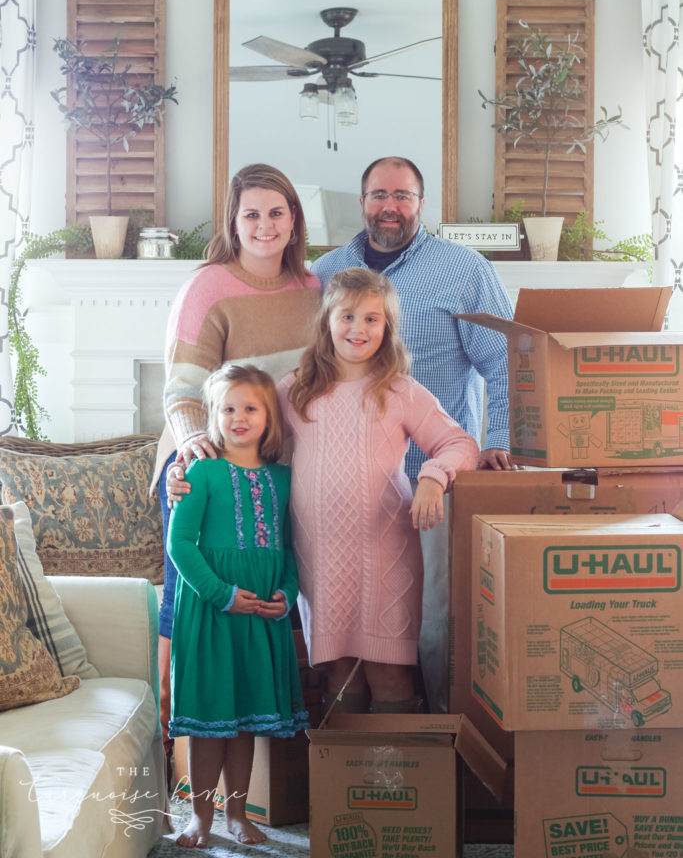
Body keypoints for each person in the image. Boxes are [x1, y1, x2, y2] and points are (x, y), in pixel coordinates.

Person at [311, 156, 515, 712]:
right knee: (347, 646)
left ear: (421, 205)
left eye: (403, 196)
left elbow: (503, 360)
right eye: (379, 195)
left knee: (431, 632)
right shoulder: (326, 271)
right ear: (362, 202)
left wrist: (497, 438)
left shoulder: (465, 270)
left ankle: (440, 752)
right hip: (350, 505)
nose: (390, 207)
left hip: (433, 488)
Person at [155, 163, 320, 781]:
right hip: (203, 468)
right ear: (233, 221)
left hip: (272, 473)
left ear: (294, 219)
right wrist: (193, 446)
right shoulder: (207, 286)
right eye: (250, 213)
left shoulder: (314, 285)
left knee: (264, 610)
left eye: (276, 212)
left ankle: (262, 784)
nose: (264, 225)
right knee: (190, 613)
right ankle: (177, 768)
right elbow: (181, 387)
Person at [277, 268, 480, 713]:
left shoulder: (400, 390)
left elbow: (460, 444)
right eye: (347, 316)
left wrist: (433, 475)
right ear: (327, 320)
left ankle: (394, 779)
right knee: (337, 668)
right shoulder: (296, 390)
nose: (358, 328)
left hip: (385, 552)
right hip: (321, 555)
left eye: (372, 319)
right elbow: (246, 436)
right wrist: (191, 462)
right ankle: (343, 779)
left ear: (387, 328)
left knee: (388, 670)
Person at [168, 363, 307, 848]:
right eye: (227, 408)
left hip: (260, 617)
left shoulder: (284, 479)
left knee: (244, 721)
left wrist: (287, 596)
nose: (238, 417)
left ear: (270, 418)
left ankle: (238, 814)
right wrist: (221, 593)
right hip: (212, 612)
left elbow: (290, 549)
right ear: (212, 415)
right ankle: (199, 818)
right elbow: (180, 544)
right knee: (210, 722)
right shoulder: (200, 472)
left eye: (250, 408)